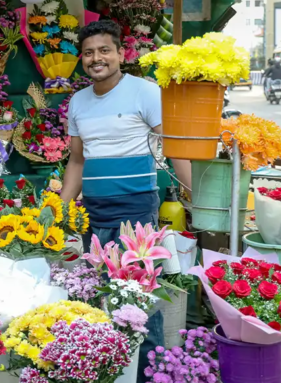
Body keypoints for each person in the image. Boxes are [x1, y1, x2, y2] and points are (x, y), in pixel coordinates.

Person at [60, 20, 191, 383]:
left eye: (104, 50)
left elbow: (175, 144)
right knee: (100, 296)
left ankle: (149, 374)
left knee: (137, 297)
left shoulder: (144, 92)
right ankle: (110, 371)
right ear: (81, 59)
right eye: (88, 53)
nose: (96, 58)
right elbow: (76, 161)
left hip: (135, 210)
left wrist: (195, 196)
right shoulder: (78, 101)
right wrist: (59, 208)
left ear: (121, 53)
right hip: (94, 214)